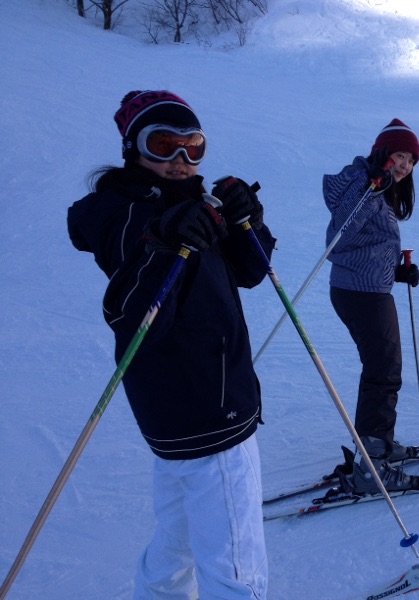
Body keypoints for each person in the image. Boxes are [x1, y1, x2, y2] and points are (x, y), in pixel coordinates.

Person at [67, 90, 274, 599]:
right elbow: (136, 318)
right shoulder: (123, 215)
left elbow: (251, 271)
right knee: (237, 567)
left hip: (180, 412)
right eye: (163, 145)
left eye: (193, 146)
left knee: (177, 545)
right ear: (132, 149)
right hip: (209, 412)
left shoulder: (194, 206)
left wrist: (248, 221)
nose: (180, 159)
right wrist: (164, 241)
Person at [323, 119, 419, 495]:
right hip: (361, 294)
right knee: (383, 371)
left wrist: (395, 271)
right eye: (400, 155)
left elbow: (364, 243)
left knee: (382, 368)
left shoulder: (375, 185)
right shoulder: (365, 183)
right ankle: (371, 464)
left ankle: (378, 443)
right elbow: (341, 235)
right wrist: (372, 188)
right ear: (383, 152)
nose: (405, 165)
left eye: (411, 161)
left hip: (364, 288)